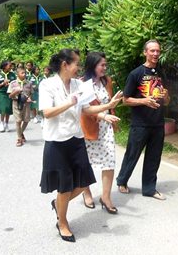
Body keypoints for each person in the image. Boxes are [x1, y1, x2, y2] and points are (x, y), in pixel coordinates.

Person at [39, 48, 122, 242]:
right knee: (64, 185)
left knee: (84, 181)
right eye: (76, 63)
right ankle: (63, 222)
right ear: (64, 65)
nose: (79, 67)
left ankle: (59, 204)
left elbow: (87, 109)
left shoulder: (79, 84)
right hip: (57, 141)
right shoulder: (47, 84)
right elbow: (47, 113)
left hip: (76, 139)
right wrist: (69, 102)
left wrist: (109, 105)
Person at [116, 39, 170, 200]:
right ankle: (122, 181)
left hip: (158, 123)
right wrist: (144, 101)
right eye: (152, 51)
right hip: (140, 124)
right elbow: (125, 99)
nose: (155, 54)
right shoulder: (136, 74)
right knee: (132, 154)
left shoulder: (161, 73)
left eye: (158, 51)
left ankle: (149, 189)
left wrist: (166, 96)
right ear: (145, 52)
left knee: (154, 157)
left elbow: (167, 100)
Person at [81, 52, 120, 214]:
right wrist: (103, 115)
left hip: (106, 127)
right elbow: (84, 110)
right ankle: (86, 192)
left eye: (105, 64)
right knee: (86, 163)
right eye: (102, 65)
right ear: (92, 65)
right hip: (89, 127)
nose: (105, 67)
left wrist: (112, 109)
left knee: (109, 160)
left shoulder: (106, 81)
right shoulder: (82, 84)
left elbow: (109, 103)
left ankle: (106, 197)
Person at [7, 67, 33, 146]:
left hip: (26, 104)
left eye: (25, 73)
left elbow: (31, 93)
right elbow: (10, 96)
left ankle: (20, 133)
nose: (24, 74)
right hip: (16, 103)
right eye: (22, 73)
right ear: (17, 74)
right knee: (18, 121)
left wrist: (30, 98)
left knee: (26, 120)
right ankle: (19, 139)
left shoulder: (29, 83)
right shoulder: (13, 83)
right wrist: (16, 92)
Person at [0, 61, 16, 132]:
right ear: (4, 66)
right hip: (1, 93)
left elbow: (15, 84)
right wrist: (3, 83)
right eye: (9, 65)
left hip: (10, 94)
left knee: (8, 109)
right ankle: (1, 123)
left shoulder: (12, 74)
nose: (11, 67)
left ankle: (6, 123)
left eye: (11, 66)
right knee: (3, 108)